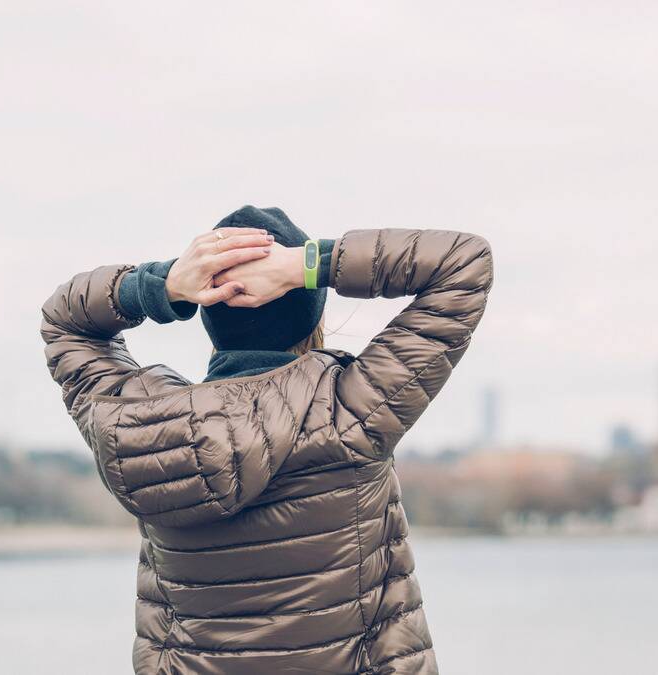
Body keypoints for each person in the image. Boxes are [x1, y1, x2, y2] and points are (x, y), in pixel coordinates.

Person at [40, 205, 493, 674]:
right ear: (307, 311)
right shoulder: (352, 410)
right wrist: (307, 265)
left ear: (210, 315)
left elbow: (65, 321)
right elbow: (463, 263)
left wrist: (164, 285)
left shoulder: (139, 428)